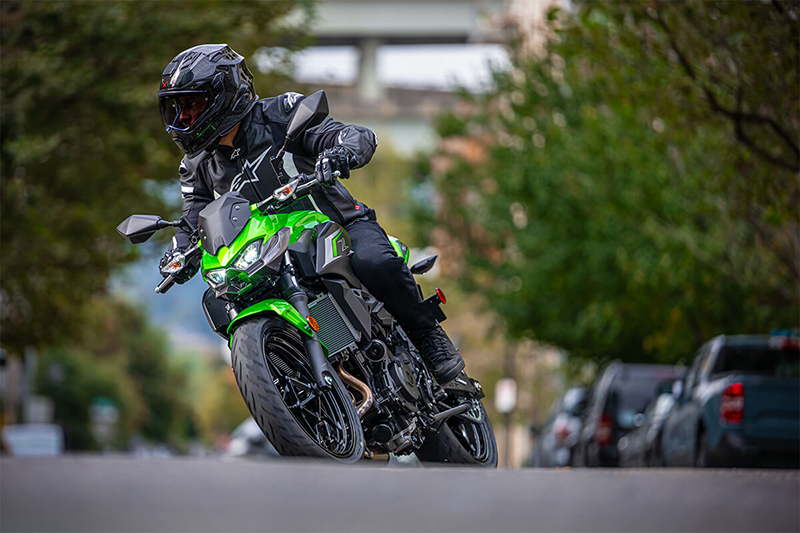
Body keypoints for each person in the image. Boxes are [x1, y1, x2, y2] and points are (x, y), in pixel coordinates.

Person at [157, 44, 465, 383]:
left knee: (375, 262)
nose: (183, 118)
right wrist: (177, 252)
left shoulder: (280, 114)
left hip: (336, 226)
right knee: (227, 300)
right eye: (177, 108)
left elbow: (347, 135)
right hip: (268, 251)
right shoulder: (196, 165)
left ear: (225, 93)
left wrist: (343, 151)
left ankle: (428, 336)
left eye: (193, 104)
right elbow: (192, 218)